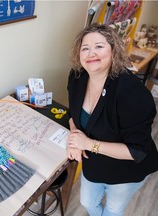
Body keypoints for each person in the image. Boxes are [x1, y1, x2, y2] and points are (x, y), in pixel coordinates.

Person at [66, 23, 158, 216]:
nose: (91, 53)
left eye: (99, 46)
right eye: (85, 48)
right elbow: (73, 116)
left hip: (125, 169)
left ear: (113, 50)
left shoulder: (132, 94)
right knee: (87, 202)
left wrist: (89, 144)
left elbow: (137, 151)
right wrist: (75, 139)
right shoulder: (77, 77)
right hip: (94, 164)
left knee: (113, 210)